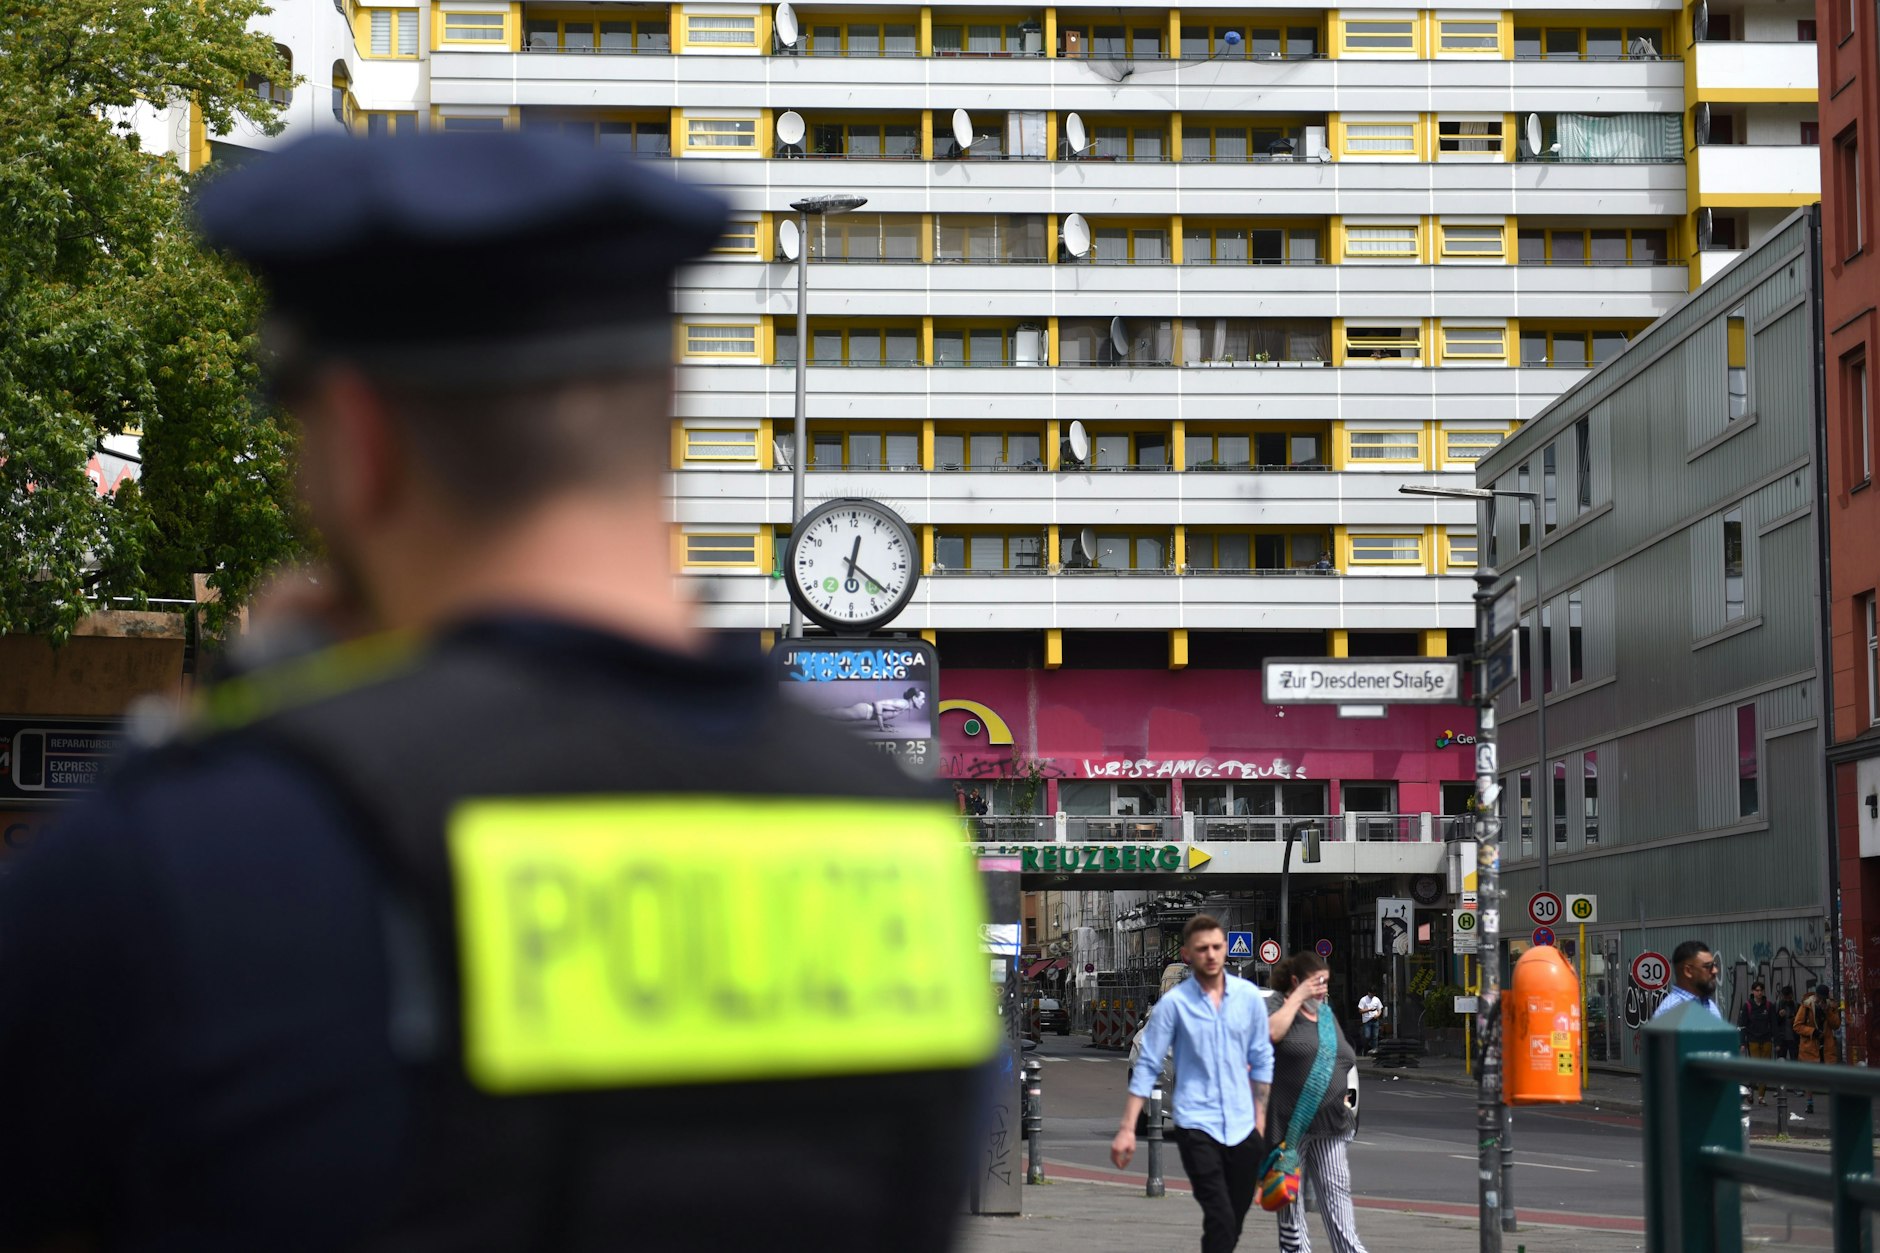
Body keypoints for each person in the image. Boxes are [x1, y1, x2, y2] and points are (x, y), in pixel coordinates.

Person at [0, 133, 993, 1252]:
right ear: (662, 402)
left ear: (360, 440)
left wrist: (256, 727)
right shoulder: (894, 838)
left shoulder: (183, 858)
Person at [1112, 915, 1274, 1253]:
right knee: (1219, 1213)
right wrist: (1128, 1127)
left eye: (1217, 947)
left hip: (1244, 1127)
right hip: (1196, 1124)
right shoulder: (1173, 1006)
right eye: (1203, 949)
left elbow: (1262, 1061)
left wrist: (1260, 1120)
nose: (1212, 955)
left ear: (1226, 949)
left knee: (1235, 1216)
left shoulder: (1247, 998)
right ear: (1187, 955)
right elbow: (1146, 1067)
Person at [1266, 953, 1369, 1253]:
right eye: (1317, 982)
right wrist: (1297, 998)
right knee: (1291, 1217)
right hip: (1289, 1129)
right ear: (1296, 981)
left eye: (1326, 982)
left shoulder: (1325, 1014)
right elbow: (1271, 1033)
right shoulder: (1276, 1005)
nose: (1323, 988)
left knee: (1339, 1206)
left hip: (1330, 1124)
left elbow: (1346, 1056)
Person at [1795, 983, 1842, 1115]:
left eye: (1824, 998)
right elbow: (1797, 1026)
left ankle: (1834, 1105)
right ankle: (1809, 1103)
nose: (1821, 1001)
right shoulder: (1807, 1006)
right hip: (1810, 1046)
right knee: (1809, 1077)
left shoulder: (1831, 1007)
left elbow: (1836, 1025)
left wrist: (1827, 1011)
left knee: (1831, 1076)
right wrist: (1812, 1031)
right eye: (1820, 998)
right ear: (1816, 996)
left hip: (1826, 1046)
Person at [1652, 940, 1723, 1019]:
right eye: (1708, 966)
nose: (1715, 971)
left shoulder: (1709, 1005)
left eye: (1715, 965)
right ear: (1688, 971)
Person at [1736, 980, 1777, 1104]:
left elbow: (1774, 1024)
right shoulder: (1748, 1006)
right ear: (1753, 991)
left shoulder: (1769, 1006)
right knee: (1756, 1067)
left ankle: (1761, 1097)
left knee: (1764, 1068)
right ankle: (1751, 1088)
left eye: (1761, 990)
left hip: (1766, 1040)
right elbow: (1742, 1026)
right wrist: (1742, 1043)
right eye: (1757, 990)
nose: (1759, 993)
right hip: (1753, 1040)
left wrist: (1777, 1042)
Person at [1774, 984, 1801, 1060]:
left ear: (1792, 995)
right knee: (1781, 1062)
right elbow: (1774, 1023)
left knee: (1794, 1061)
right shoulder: (1777, 1005)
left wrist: (1795, 1019)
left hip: (1794, 1039)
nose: (1787, 1000)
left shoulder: (1797, 1006)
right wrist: (1779, 1016)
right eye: (1785, 998)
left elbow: (1801, 1023)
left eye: (1789, 998)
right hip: (1781, 1040)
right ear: (1782, 996)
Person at [1357, 988, 1383, 1055]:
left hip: (1375, 1019)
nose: (1372, 995)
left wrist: (1378, 1014)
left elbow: (1380, 1009)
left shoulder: (1376, 999)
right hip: (1367, 1020)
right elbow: (1360, 1011)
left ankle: (1374, 1049)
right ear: (1368, 992)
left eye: (1373, 994)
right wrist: (1369, 1010)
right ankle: (1366, 1048)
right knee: (1367, 1036)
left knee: (1375, 1036)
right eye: (1371, 993)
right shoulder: (1363, 999)